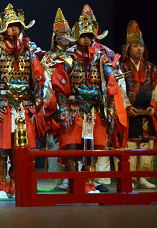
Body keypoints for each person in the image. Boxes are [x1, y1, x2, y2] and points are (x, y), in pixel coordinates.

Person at [49, 13, 122, 193]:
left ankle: (89, 182)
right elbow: (59, 87)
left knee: (93, 148)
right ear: (76, 37)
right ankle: (75, 183)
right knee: (73, 148)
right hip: (74, 109)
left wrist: (111, 111)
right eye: (83, 36)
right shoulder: (67, 59)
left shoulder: (100, 59)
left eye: (90, 36)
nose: (87, 40)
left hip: (94, 110)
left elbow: (110, 86)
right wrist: (64, 112)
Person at [0, 3, 45, 199]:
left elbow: (39, 78)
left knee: (22, 147)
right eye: (10, 25)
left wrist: (38, 100)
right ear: (3, 28)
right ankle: (1, 183)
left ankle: (18, 182)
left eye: (17, 25)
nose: (14, 29)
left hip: (24, 105)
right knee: (0, 148)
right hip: (2, 104)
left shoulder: (30, 51)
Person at [120, 20, 157, 188]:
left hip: (147, 114)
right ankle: (130, 178)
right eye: (135, 46)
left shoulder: (150, 68)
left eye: (141, 46)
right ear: (129, 48)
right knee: (130, 144)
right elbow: (118, 91)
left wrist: (153, 106)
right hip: (130, 114)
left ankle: (142, 177)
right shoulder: (121, 68)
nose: (139, 49)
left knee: (144, 144)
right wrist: (127, 107)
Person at [41, 8, 73, 191]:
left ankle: (73, 176)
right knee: (56, 141)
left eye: (68, 34)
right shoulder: (49, 57)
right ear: (55, 37)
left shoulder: (74, 56)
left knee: (71, 141)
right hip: (54, 101)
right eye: (62, 35)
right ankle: (60, 178)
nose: (66, 38)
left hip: (71, 101)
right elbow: (46, 82)